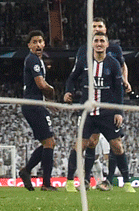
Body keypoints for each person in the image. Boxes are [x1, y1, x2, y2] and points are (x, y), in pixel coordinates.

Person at [63, 17, 129, 188]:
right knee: (88, 143)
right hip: (88, 108)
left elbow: (121, 77)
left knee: (115, 145)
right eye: (94, 27)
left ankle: (114, 181)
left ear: (106, 39)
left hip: (107, 110)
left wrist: (125, 83)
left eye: (100, 27)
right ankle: (81, 180)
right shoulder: (83, 54)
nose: (99, 42)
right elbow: (73, 76)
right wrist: (69, 91)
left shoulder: (114, 56)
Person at [17, 30, 57, 191]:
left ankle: (27, 171)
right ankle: (45, 183)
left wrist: (47, 101)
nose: (38, 45)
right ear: (29, 45)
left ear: (44, 44)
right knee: (49, 142)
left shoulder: (37, 60)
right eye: (34, 42)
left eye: (40, 41)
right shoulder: (32, 59)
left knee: (48, 143)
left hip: (35, 104)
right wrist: (52, 91)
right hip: (33, 105)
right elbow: (41, 84)